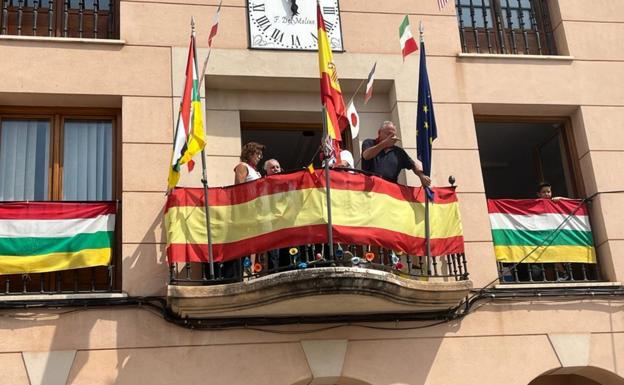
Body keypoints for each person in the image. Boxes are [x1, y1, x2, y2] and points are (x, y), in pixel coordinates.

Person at [361, 121, 431, 186]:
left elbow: (413, 165)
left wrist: (422, 176)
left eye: (393, 135)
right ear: (379, 133)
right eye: (388, 134)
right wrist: (384, 144)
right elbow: (366, 156)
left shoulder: (399, 152)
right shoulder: (369, 143)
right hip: (369, 189)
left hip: (389, 191)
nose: (391, 137)